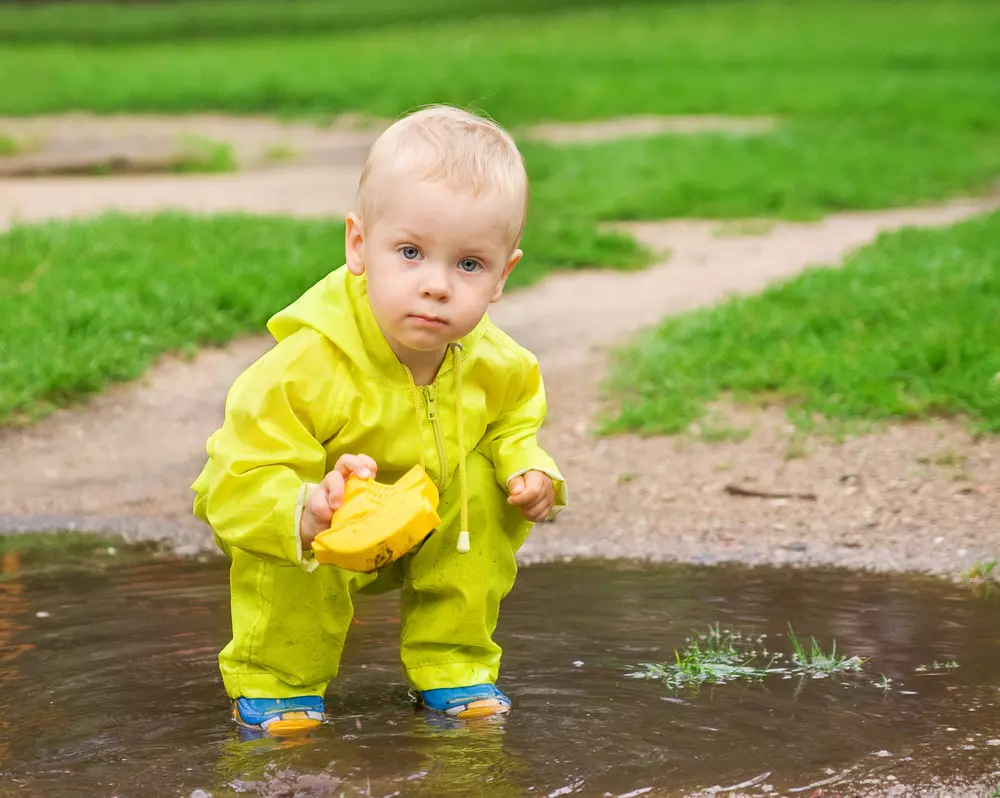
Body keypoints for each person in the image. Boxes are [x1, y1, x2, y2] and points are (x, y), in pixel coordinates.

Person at [191, 104, 567, 735]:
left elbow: (511, 424)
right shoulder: (305, 366)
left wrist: (530, 467)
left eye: (468, 264)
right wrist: (304, 509)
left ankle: (454, 664)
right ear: (360, 245)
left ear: (503, 276)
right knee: (290, 541)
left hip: (437, 526)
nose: (437, 286)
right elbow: (234, 478)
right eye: (412, 252)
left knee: (485, 484)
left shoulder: (500, 364)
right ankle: (278, 683)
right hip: (319, 530)